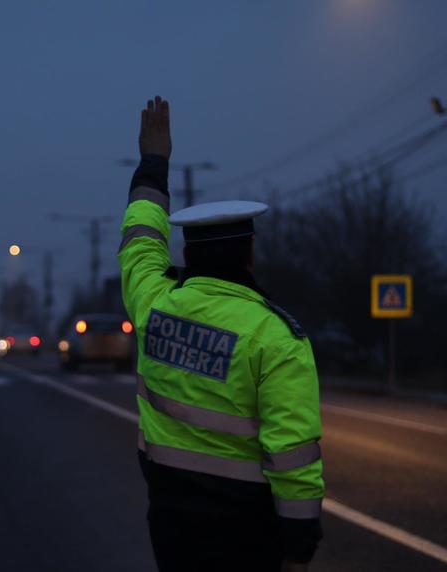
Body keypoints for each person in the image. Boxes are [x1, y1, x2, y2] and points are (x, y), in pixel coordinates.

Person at [118, 96, 324, 571]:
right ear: (249, 253)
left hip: (169, 519)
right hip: (247, 534)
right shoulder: (276, 338)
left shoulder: (153, 304)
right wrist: (298, 548)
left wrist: (153, 163)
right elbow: (292, 456)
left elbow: (140, 241)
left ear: (188, 255)